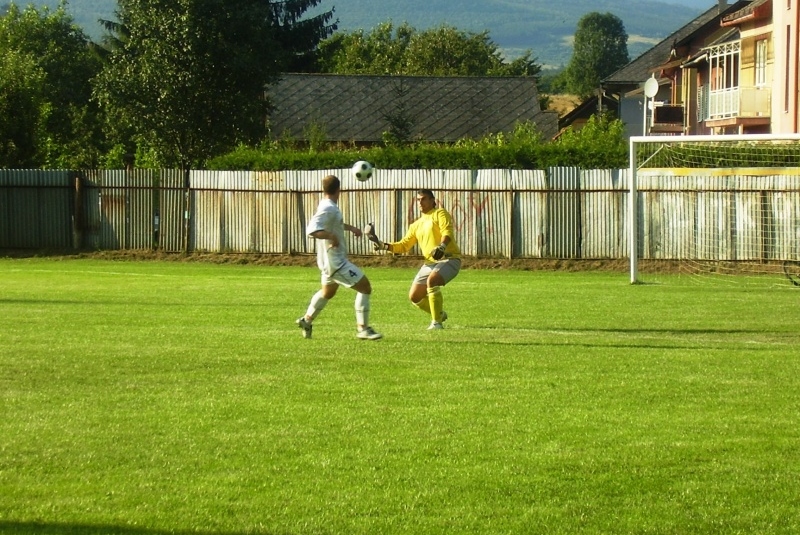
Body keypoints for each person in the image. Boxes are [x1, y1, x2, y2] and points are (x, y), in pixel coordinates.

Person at [296, 175, 382, 340]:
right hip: (336, 262)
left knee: (327, 292)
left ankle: (306, 320)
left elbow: (334, 223)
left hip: (327, 263)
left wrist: (351, 228)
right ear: (339, 189)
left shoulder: (326, 205)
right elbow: (311, 231)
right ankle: (363, 329)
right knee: (365, 287)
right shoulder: (329, 208)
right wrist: (331, 236)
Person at [367, 189, 461, 330]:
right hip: (429, 263)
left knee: (432, 280)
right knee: (414, 297)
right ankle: (439, 314)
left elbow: (447, 231)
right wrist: (382, 245)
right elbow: (404, 246)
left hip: (449, 259)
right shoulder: (416, 225)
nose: (420, 202)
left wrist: (442, 246)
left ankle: (436, 323)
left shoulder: (439, 213)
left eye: (423, 199)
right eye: (418, 200)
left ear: (432, 200)